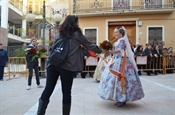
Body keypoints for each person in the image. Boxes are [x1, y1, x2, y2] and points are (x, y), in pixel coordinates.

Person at [36, 15, 106, 115]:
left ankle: (40, 113)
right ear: (74, 23)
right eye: (77, 22)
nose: (78, 24)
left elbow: (52, 49)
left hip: (53, 64)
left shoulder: (58, 34)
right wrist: (102, 50)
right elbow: (90, 45)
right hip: (67, 67)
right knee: (66, 92)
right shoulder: (77, 35)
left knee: (48, 89)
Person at [98, 26, 144, 107]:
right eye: (115, 32)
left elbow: (120, 50)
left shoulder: (122, 40)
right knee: (115, 79)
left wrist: (110, 51)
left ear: (121, 33)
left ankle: (122, 98)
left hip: (122, 62)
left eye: (116, 32)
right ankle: (119, 97)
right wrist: (108, 50)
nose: (115, 34)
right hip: (117, 60)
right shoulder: (118, 41)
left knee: (121, 79)